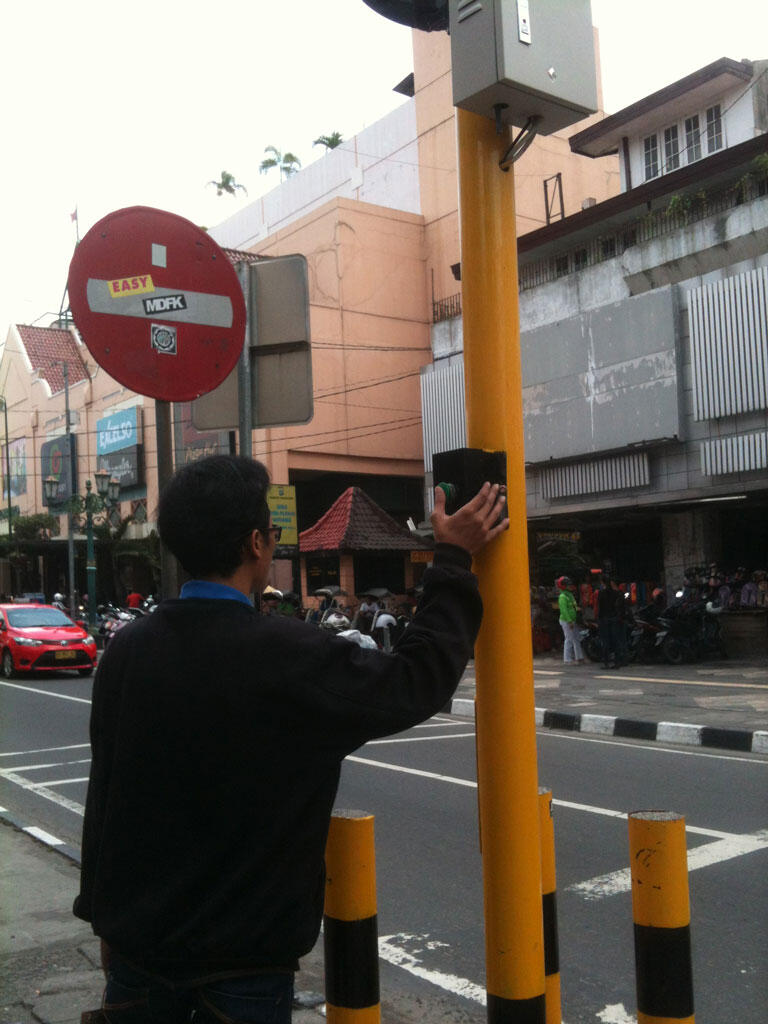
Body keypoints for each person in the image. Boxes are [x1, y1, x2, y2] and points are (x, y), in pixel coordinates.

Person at [73, 454, 508, 1024]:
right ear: (256, 543)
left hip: (135, 960)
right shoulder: (290, 655)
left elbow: (104, 796)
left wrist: (103, 921)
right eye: (273, 535)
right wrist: (452, 559)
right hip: (244, 972)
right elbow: (415, 681)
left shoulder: (127, 650)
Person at [597, 574, 625, 669]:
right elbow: (619, 606)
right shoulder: (616, 593)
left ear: (602, 582)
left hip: (605, 619)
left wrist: (599, 619)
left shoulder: (601, 593)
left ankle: (606, 662)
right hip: (614, 619)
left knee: (605, 641)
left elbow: (600, 608)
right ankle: (617, 662)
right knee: (615, 641)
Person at [556, 575, 583, 664]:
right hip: (567, 621)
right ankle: (567, 659)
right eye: (568, 585)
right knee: (569, 639)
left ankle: (579, 657)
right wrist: (569, 621)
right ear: (563, 586)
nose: (570, 586)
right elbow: (564, 611)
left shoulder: (569, 595)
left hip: (572, 620)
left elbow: (573, 606)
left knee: (576, 638)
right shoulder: (563, 597)